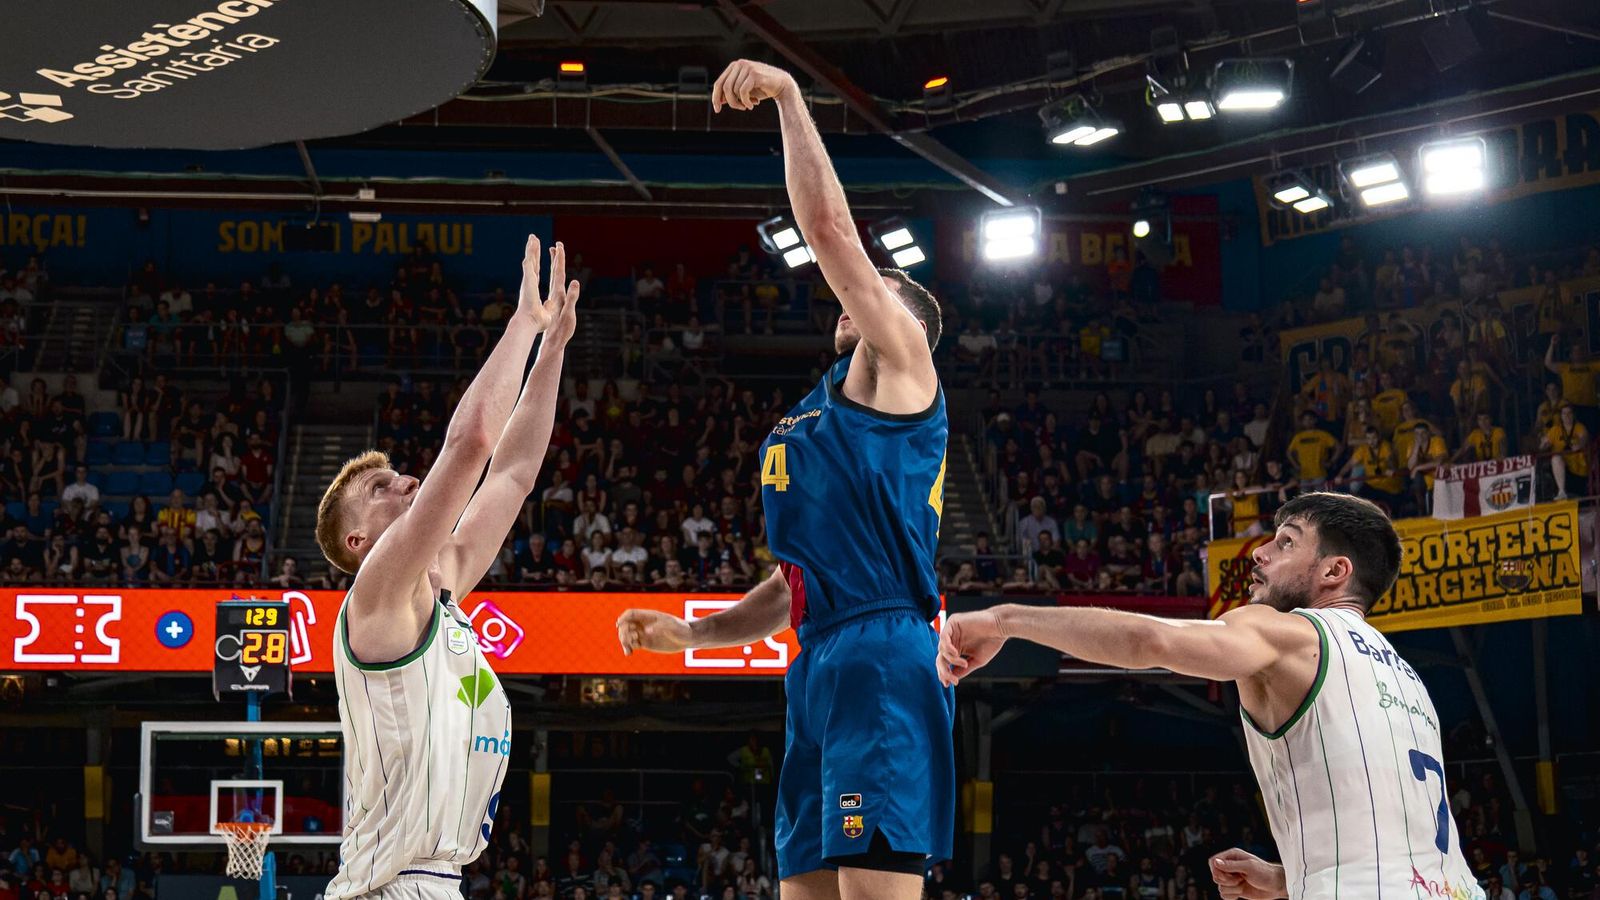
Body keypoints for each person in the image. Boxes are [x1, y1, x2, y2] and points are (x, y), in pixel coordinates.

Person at [616, 59, 952, 900]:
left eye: (881, 295)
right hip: (820, 656)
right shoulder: (821, 408)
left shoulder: (903, 369)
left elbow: (834, 236)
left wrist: (792, 99)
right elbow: (790, 582)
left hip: (882, 652)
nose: (860, 299)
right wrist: (693, 638)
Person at [939, 492, 1484, 900]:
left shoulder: (1289, 633)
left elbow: (1150, 640)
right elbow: (1387, 835)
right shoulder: (1406, 676)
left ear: (1334, 572)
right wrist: (1291, 877)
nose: (1261, 553)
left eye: (1286, 542)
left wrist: (1004, 619)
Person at [314, 238, 580, 900]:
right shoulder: (378, 594)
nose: (403, 481)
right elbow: (471, 447)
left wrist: (550, 358)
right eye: (378, 490)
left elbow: (513, 474)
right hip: (387, 888)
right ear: (356, 541)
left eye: (394, 474)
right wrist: (524, 324)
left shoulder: (446, 582)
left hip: (436, 881)